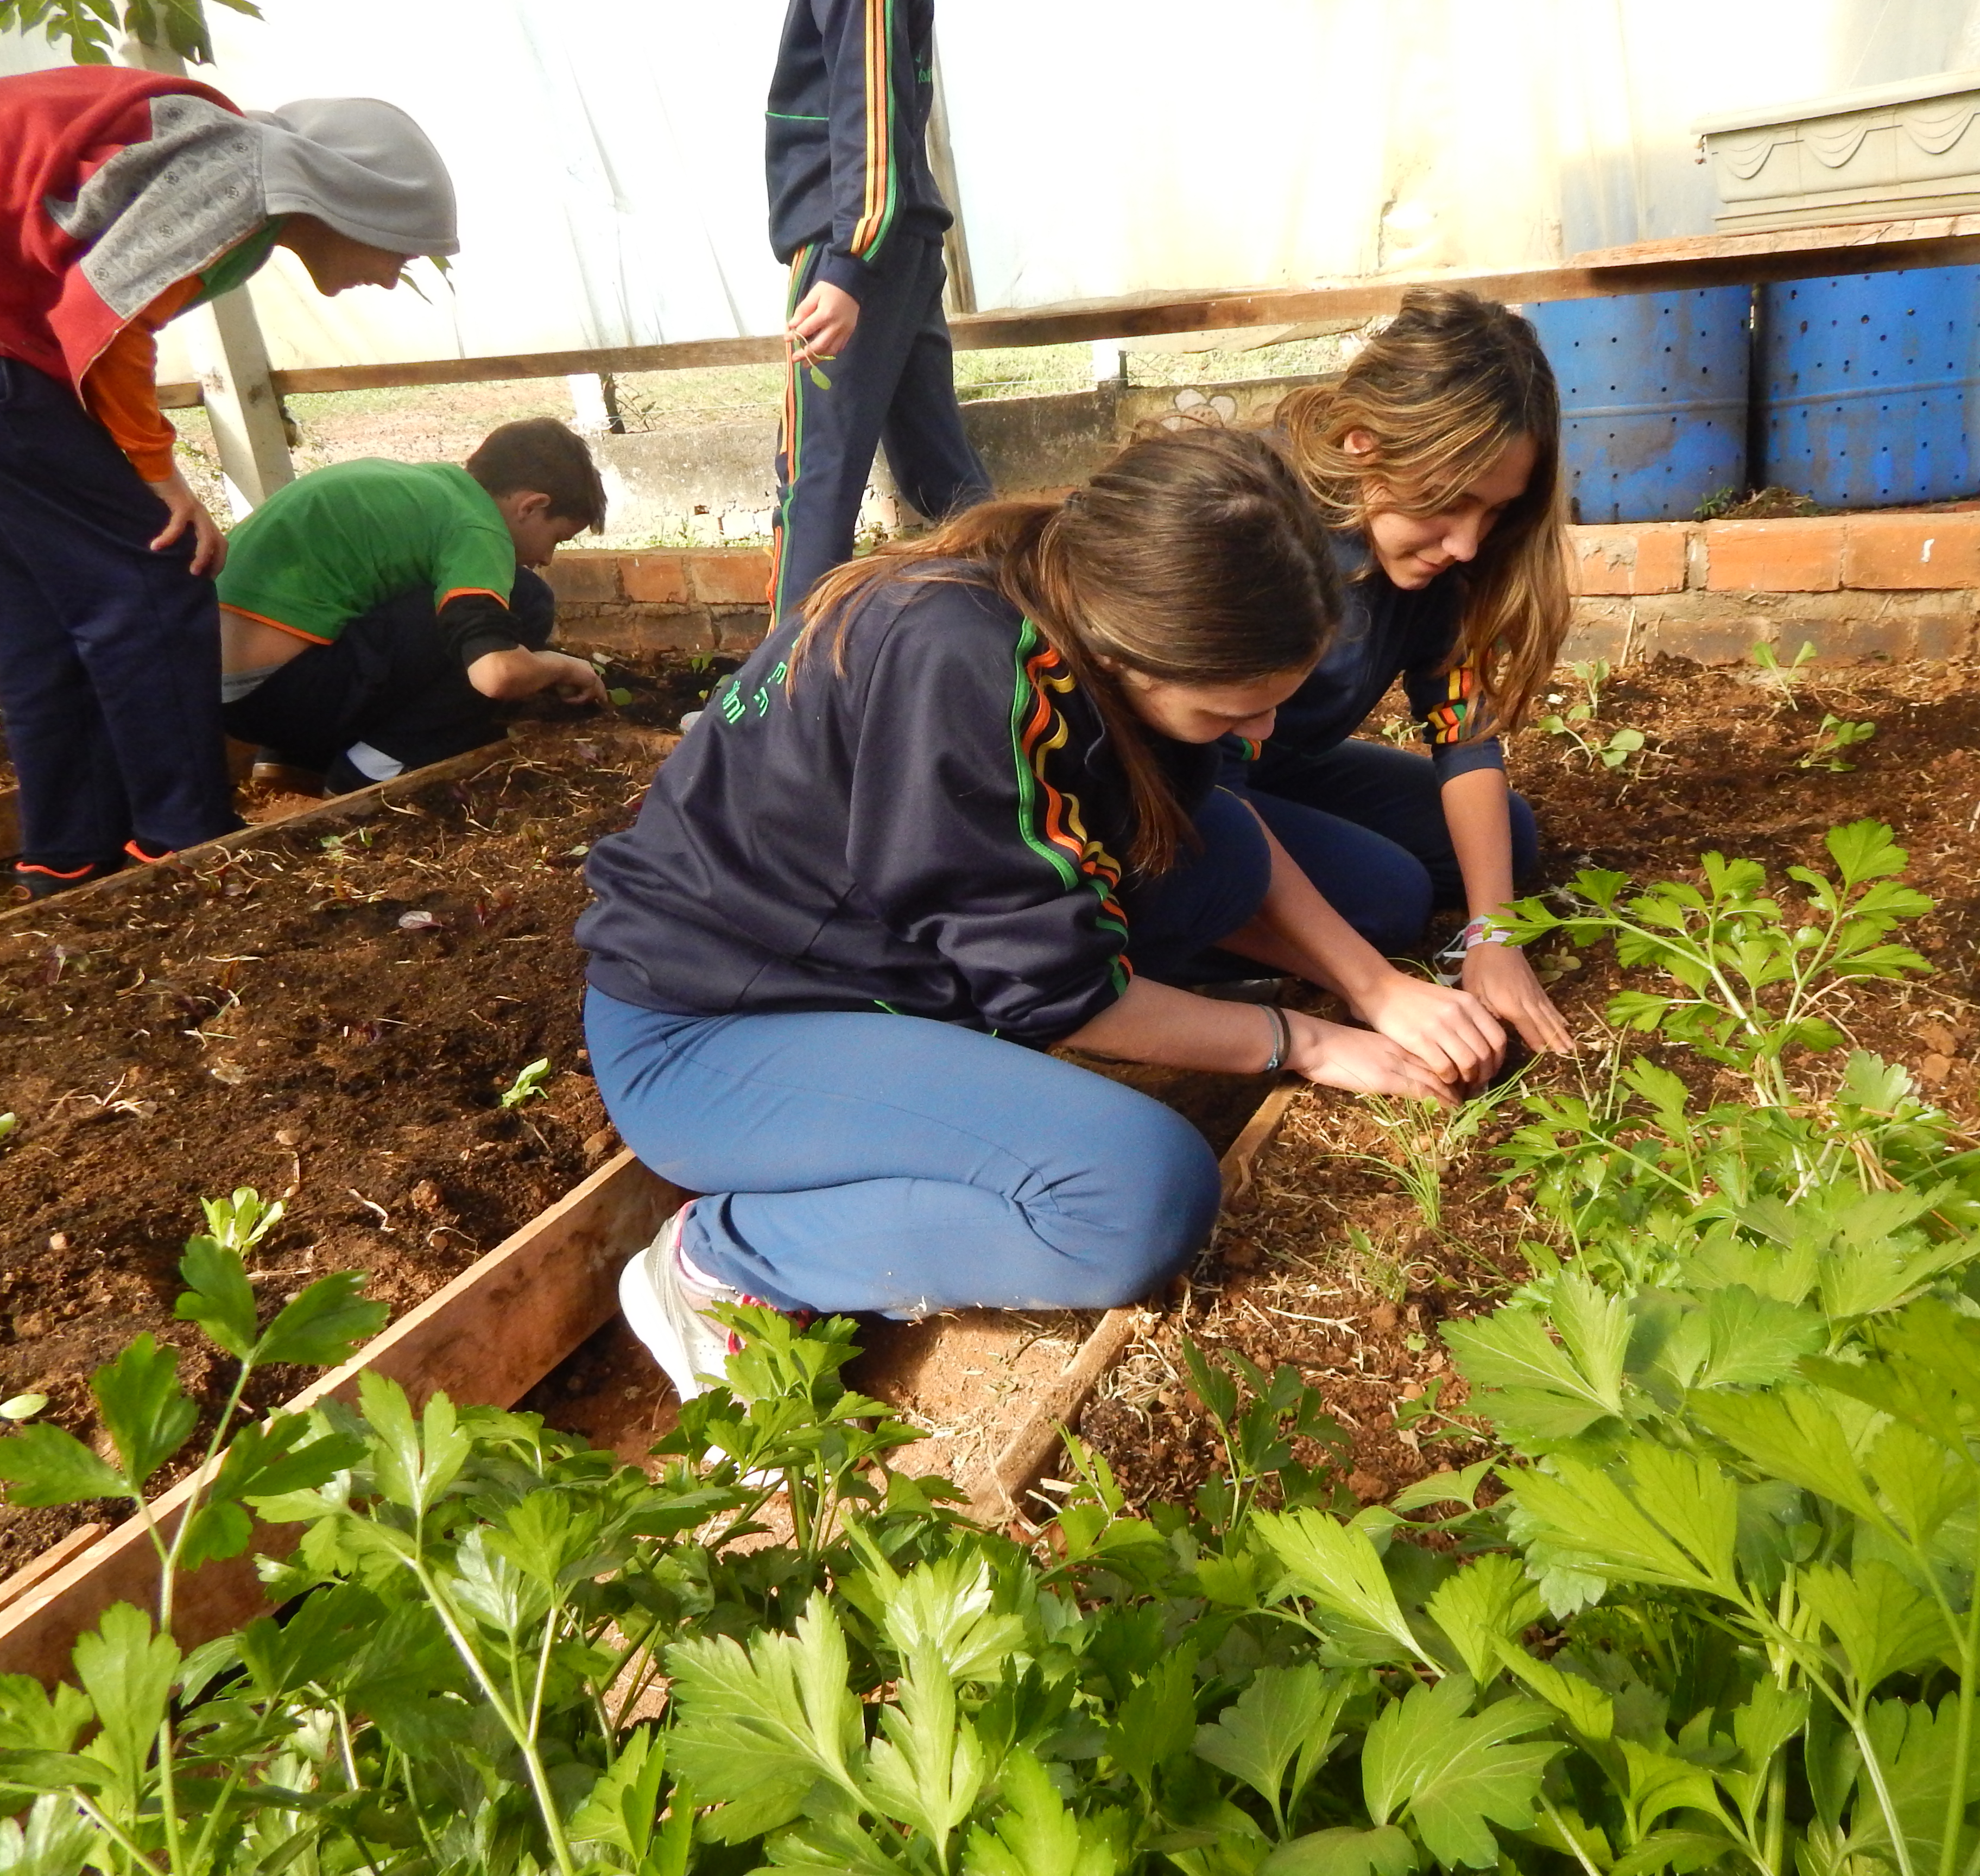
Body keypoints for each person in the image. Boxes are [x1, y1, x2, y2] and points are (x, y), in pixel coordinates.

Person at [577, 428, 1509, 1399]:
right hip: (716, 1036)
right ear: (1128, 649)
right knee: (1132, 1197)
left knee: (1230, 854)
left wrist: (1374, 984)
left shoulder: (1068, 602)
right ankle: (728, 1263)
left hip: (876, 974)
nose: (1262, 733)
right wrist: (1302, 1041)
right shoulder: (964, 668)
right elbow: (1066, 999)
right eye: (1231, 713)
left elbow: (1216, 822)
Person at [0, 66, 458, 896]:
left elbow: (89, 312)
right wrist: (157, 474)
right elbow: (102, 322)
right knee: (151, 574)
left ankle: (69, 858)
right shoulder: (239, 176)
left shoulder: (234, 192)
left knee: (37, 609)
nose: (395, 272)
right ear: (351, 200)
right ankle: (185, 844)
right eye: (403, 246)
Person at [1237, 288, 1578, 1055]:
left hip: (1266, 770)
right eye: (1450, 503)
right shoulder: (1252, 528)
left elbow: (1465, 737)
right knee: (1388, 902)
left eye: (1492, 514)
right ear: (1364, 441)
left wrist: (1495, 931)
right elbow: (1199, 785)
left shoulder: (1435, 570)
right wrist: (1373, 984)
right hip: (1165, 800)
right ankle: (1176, 951)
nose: (1466, 543)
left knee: (1507, 838)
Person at [215, 419, 610, 793]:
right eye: (557, 537)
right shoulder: (476, 525)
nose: (548, 558)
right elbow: (497, 674)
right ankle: (373, 769)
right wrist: (560, 664)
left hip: (222, 696)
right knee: (525, 597)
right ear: (531, 506)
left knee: (426, 595)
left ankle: (299, 759)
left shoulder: (421, 488)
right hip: (284, 696)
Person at [764, 0, 991, 624]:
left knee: (814, 479)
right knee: (942, 474)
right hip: (895, 237)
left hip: (856, 242)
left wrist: (851, 264)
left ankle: (785, 689)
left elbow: (868, 107)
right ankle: (1031, 638)